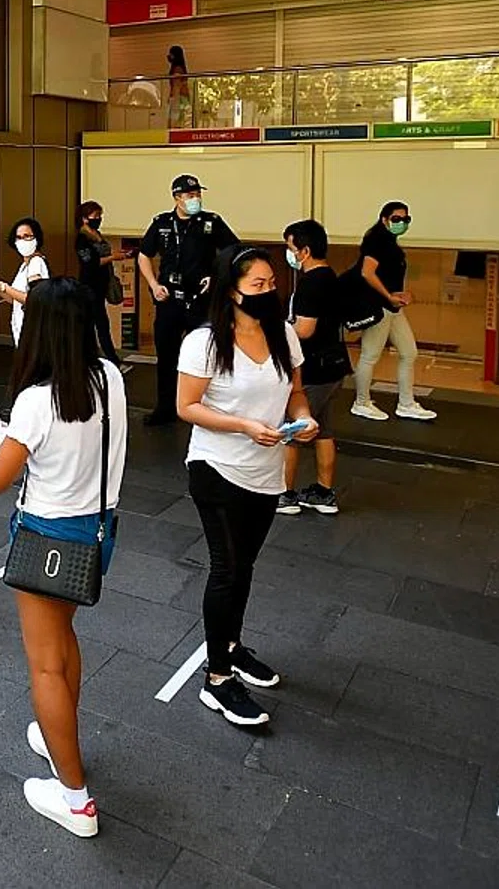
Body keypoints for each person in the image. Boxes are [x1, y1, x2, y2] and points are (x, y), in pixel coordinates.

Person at [0, 277, 128, 839]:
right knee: (63, 642)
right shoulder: (109, 377)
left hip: (47, 536)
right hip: (97, 533)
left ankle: (76, 800)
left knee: (44, 664)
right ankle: (58, 732)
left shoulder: (37, 400)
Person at [177, 246, 316, 729]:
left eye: (270, 283)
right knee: (227, 567)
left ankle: (232, 647)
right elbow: (187, 406)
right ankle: (216, 679)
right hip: (217, 467)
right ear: (230, 291)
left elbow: (295, 392)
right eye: (256, 285)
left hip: (267, 467)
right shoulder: (204, 342)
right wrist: (241, 425)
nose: (266, 291)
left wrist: (303, 418)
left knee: (246, 565)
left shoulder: (283, 335)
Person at [137, 175, 238, 425]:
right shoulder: (161, 223)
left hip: (200, 299)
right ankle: (165, 408)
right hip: (169, 298)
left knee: (204, 355)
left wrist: (216, 277)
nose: (195, 199)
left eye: (197, 195)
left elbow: (233, 250)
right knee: (167, 355)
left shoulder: (210, 222)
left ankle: (202, 409)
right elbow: (144, 255)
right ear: (177, 198)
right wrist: (153, 284)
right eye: (190, 195)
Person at [279, 219, 346, 516]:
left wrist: (278, 329)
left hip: (313, 370)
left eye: (290, 247)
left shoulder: (310, 283)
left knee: (292, 430)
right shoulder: (330, 276)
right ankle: (323, 492)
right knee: (324, 430)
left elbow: (304, 330)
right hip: (334, 366)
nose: (289, 253)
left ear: (304, 250)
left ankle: (284, 494)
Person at [348, 200, 436, 422]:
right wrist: (388, 296)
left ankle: (406, 403)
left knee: (409, 352)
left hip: (393, 308)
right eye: (396, 219)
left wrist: (402, 294)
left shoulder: (391, 243)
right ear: (384, 219)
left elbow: (389, 276)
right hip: (379, 307)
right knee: (370, 355)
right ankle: (361, 402)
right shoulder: (376, 241)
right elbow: (367, 273)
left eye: (406, 219)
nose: (401, 223)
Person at [0, 218, 50, 348]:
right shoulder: (24, 265)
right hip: (21, 328)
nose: (22, 241)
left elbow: (34, 299)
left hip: (33, 330)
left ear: (37, 238)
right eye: (19, 237)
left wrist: (3, 287)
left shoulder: (36, 263)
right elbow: (14, 299)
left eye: (27, 236)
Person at [73, 202, 124, 364]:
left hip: (101, 285)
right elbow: (90, 262)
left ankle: (96, 357)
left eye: (99, 216)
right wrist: (113, 257)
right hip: (89, 286)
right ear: (84, 218)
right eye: (95, 216)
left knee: (97, 323)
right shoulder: (82, 239)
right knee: (98, 323)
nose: (99, 219)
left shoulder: (97, 234)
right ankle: (109, 359)